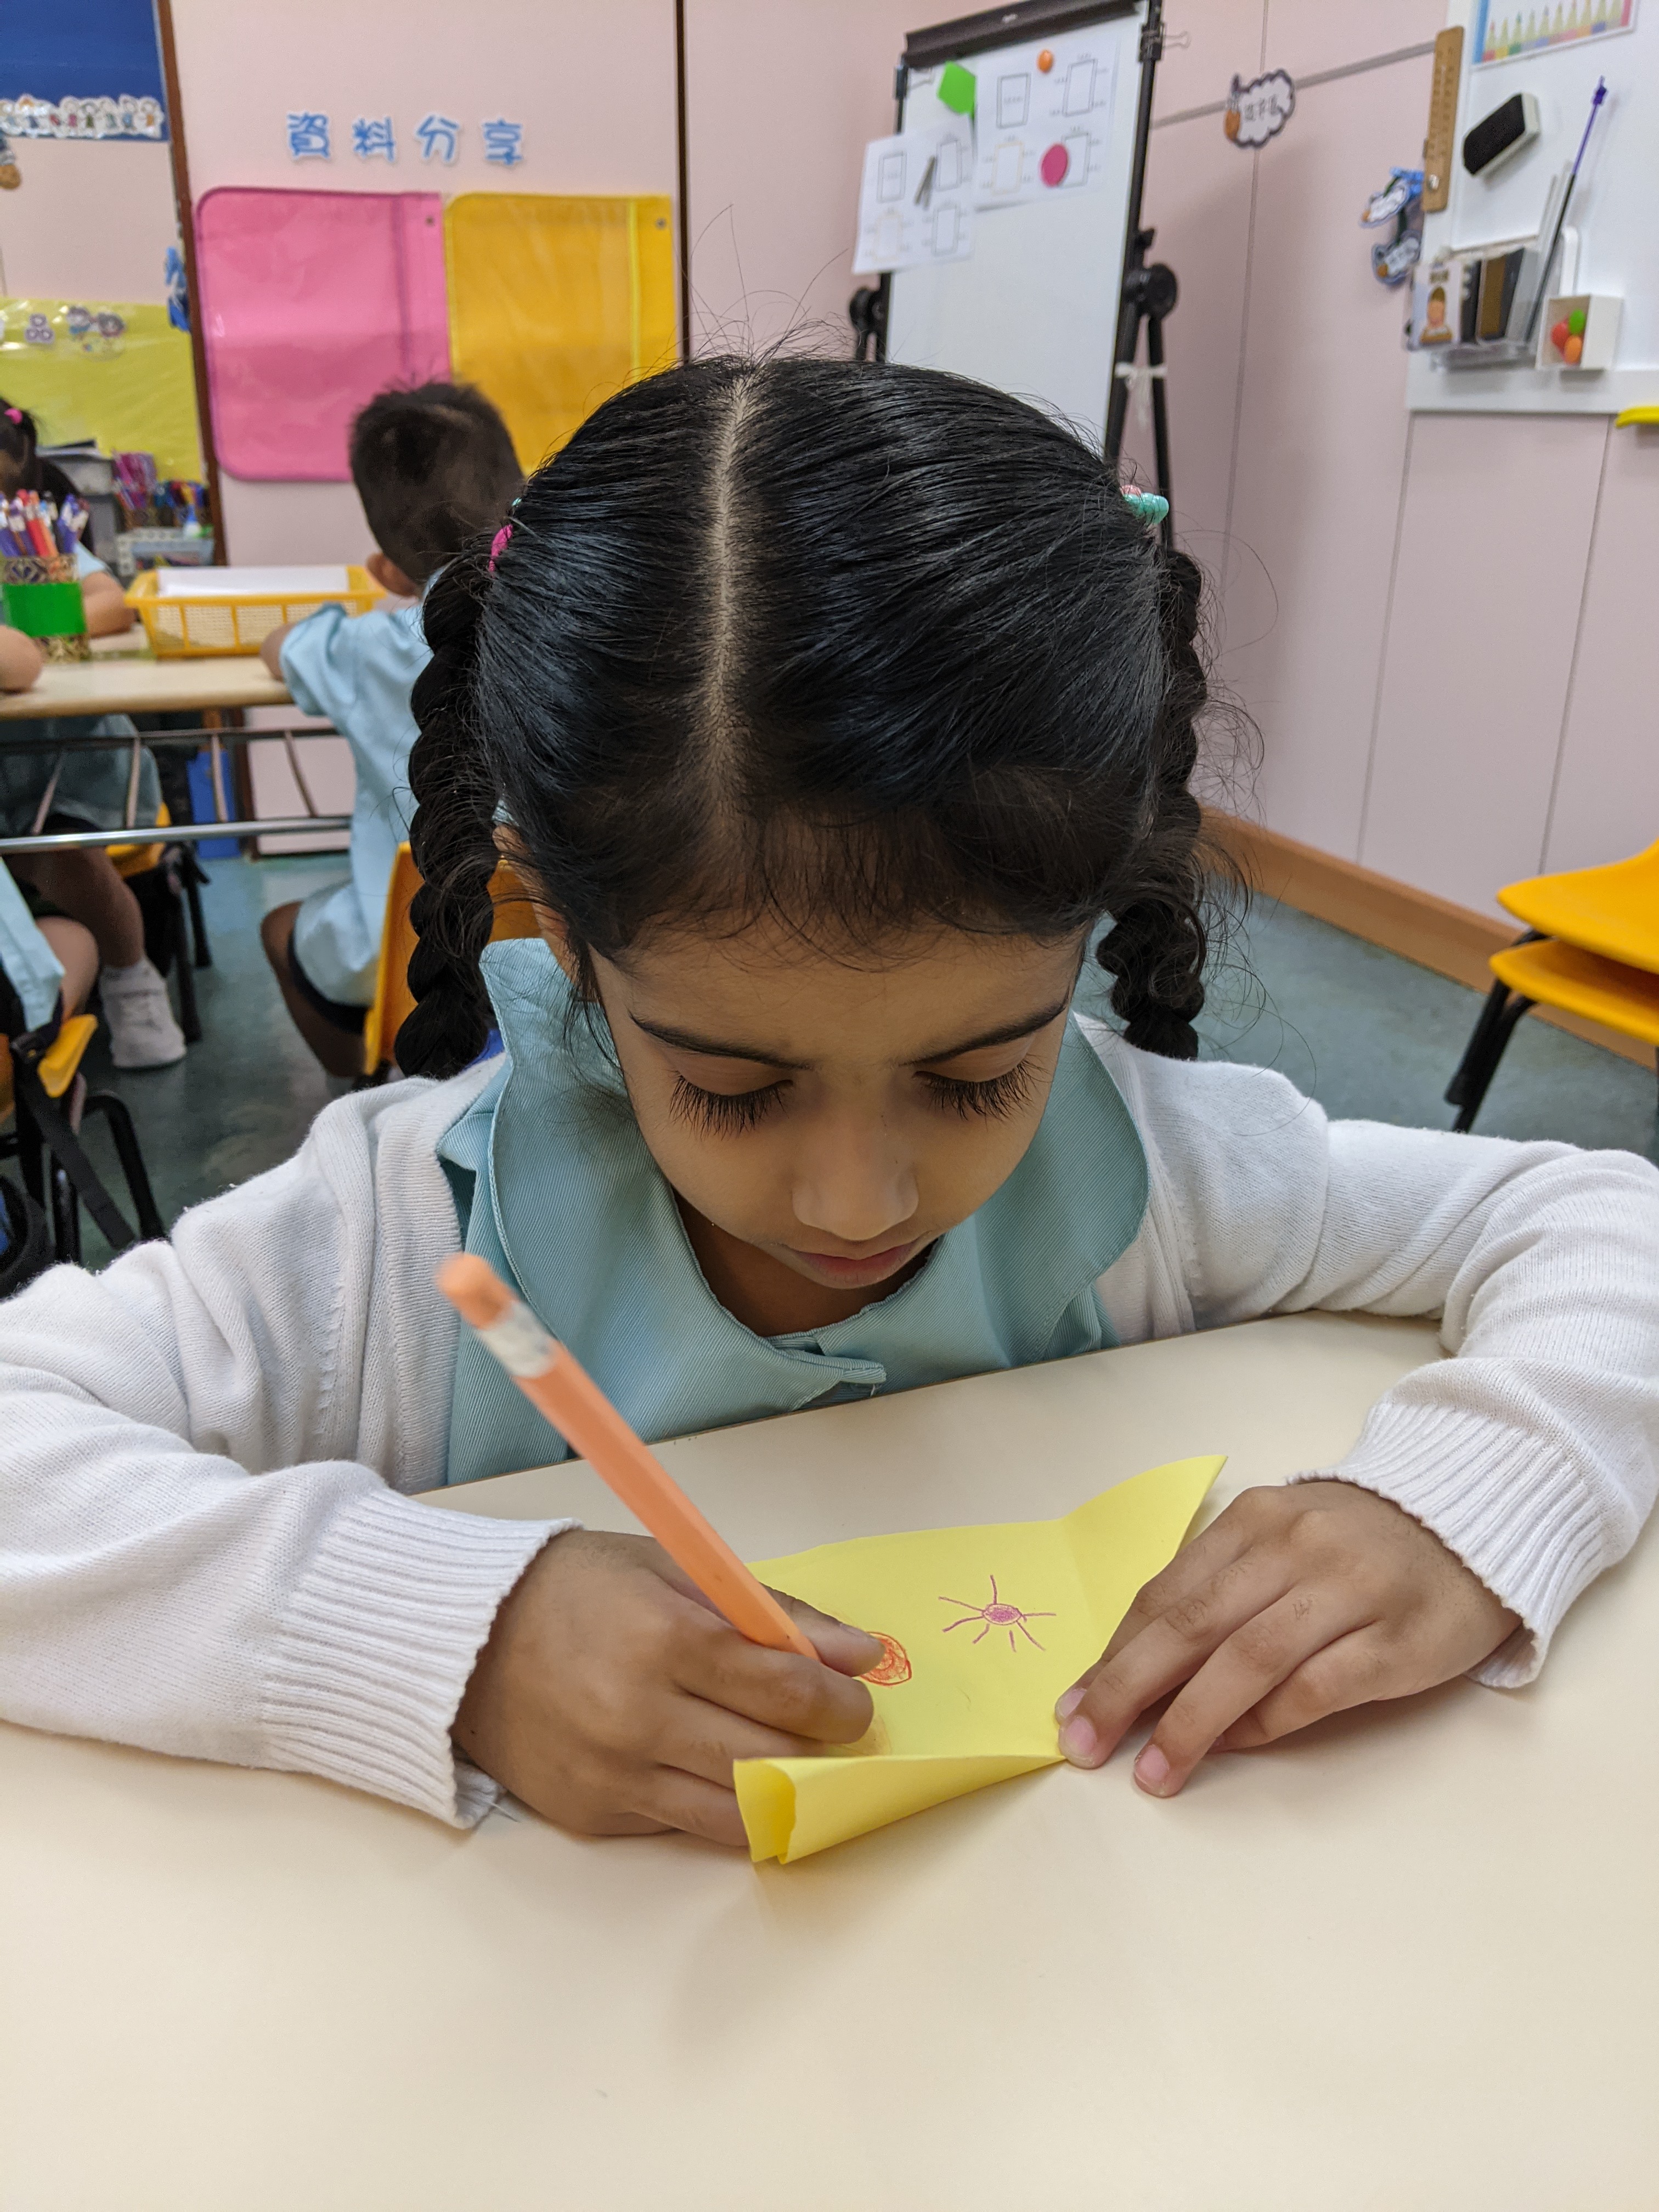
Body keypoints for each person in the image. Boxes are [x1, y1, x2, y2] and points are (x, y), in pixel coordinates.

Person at [0, 359, 1654, 1847]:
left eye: (978, 1072)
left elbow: (1597, 1215)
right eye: (733, 1086)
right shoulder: (397, 1236)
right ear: (561, 932)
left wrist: (1460, 1499)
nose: (862, 1200)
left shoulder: (1150, 1164)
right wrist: (454, 1637)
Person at [257, 381, 522, 1077]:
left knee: (279, 928)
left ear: (388, 570)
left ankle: (369, 1081)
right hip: (560, 942)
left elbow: (279, 648)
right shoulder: (578, 622)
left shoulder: (360, 650)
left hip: (408, 950)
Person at [0, 401, 185, 1070]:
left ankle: (131, 975)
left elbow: (113, 603)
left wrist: (41, 622)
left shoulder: (37, 550)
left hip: (72, 767)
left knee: (61, 853)